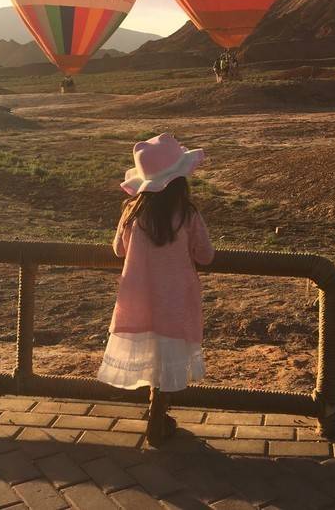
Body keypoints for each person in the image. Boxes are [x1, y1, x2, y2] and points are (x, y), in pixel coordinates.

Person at [97, 133, 215, 446]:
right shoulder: (188, 214)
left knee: (151, 352)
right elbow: (205, 255)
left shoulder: (133, 212)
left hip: (139, 299)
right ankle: (158, 414)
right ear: (180, 181)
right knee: (167, 356)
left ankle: (156, 414)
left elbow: (119, 251)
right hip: (174, 300)